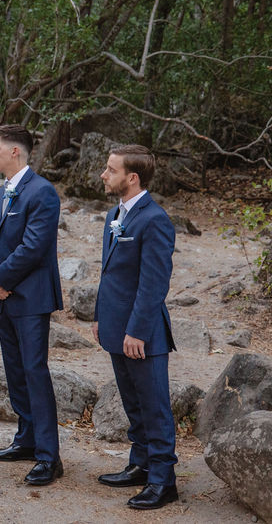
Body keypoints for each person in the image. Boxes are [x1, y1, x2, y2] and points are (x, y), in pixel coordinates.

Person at [94, 144, 179, 510]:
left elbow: (154, 283)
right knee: (133, 404)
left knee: (154, 405)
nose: (103, 174)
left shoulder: (154, 219)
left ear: (132, 177)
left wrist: (138, 331)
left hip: (142, 334)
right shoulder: (117, 213)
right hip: (116, 327)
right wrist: (100, 317)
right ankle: (141, 464)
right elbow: (110, 274)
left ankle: (164, 481)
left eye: (110, 170)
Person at [0, 124, 64, 486]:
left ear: (15, 151)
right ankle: (26, 440)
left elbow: (34, 247)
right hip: (3, 296)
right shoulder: (1, 196)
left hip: (30, 298)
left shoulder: (42, 192)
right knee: (15, 371)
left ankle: (49, 456)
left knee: (34, 371)